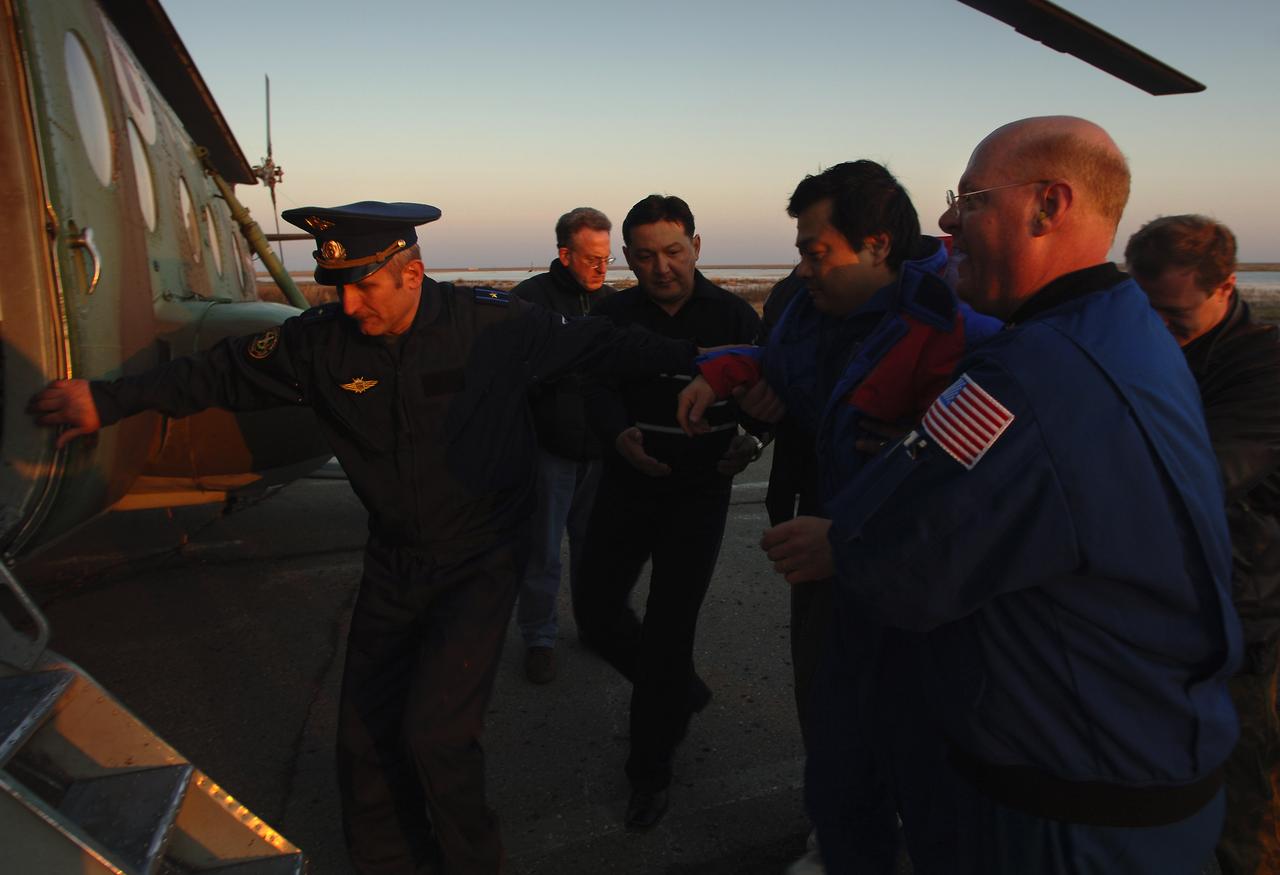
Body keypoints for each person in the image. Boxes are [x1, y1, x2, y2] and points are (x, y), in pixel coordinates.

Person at [27, 201, 700, 875]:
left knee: (437, 736)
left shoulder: (490, 326)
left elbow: (607, 345)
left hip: (480, 556)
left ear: (413, 273)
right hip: (395, 557)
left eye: (365, 286)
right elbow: (217, 371)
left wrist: (710, 361)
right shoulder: (319, 341)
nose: (349, 304)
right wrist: (107, 400)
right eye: (335, 287)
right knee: (364, 741)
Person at [762, 117, 1241, 873]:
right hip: (1152, 769)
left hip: (1070, 810)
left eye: (972, 198)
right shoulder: (1126, 328)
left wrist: (842, 535)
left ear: (1049, 206)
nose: (948, 218)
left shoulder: (1025, 375)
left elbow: (904, 561)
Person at [677, 161, 1000, 874]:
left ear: (878, 245)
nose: (803, 266)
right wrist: (728, 371)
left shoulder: (953, 327)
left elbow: (975, 482)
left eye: (815, 250)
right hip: (823, 543)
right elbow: (784, 368)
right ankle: (841, 837)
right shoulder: (807, 305)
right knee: (830, 711)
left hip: (908, 572)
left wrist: (906, 459)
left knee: (919, 730)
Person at [571, 194, 762, 830]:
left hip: (699, 492)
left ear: (697, 248)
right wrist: (615, 432)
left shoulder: (734, 315)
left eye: (674, 252)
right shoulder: (614, 313)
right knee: (597, 615)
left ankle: (648, 775)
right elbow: (592, 383)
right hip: (625, 486)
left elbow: (767, 394)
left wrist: (752, 440)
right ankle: (681, 689)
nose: (662, 267)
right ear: (627, 258)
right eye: (646, 255)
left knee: (667, 632)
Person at [1126, 215, 1280, 875]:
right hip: (1158, 619)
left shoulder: (1264, 363)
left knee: (1246, 818)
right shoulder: (1144, 345)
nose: (1159, 330)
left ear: (1228, 287)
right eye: (1146, 311)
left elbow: (1195, 478)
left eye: (1176, 314)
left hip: (1246, 623)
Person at [511, 207, 617, 684]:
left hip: (602, 452)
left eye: (607, 258)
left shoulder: (614, 305)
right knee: (543, 553)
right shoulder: (529, 302)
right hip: (548, 451)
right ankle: (539, 638)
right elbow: (503, 374)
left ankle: (594, 629)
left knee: (595, 551)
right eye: (592, 258)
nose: (601, 268)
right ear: (564, 254)